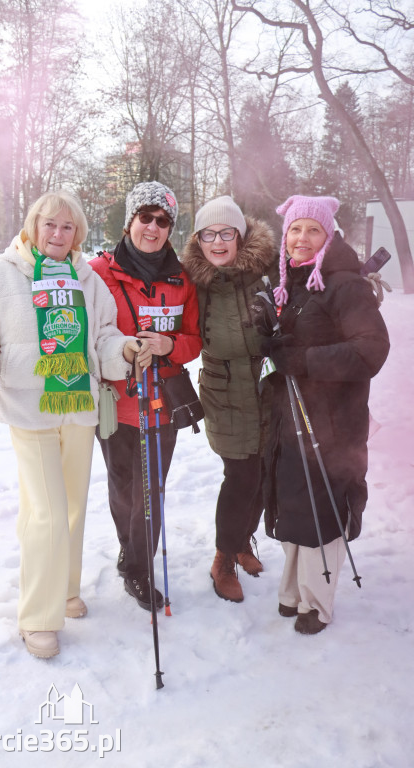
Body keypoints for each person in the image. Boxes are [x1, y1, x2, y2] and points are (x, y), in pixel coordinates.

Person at [0, 190, 151, 658]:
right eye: (49, 225)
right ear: (33, 226)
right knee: (47, 511)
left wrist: (121, 351)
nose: (57, 235)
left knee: (72, 508)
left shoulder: (86, 279)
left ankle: (64, 588)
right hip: (29, 407)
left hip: (77, 404)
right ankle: (38, 615)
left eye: (67, 227)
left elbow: (103, 336)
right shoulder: (3, 275)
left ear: (77, 233)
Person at [260, 195, 390, 634]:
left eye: (312, 230)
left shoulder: (345, 284)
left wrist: (307, 360)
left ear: (329, 236)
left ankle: (318, 602)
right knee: (295, 501)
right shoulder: (294, 281)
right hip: (294, 415)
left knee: (323, 505)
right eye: (295, 229)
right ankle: (294, 591)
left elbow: (371, 350)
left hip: (332, 424)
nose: (301, 238)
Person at [90, 181, 202, 610]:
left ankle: (139, 568)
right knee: (121, 487)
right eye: (145, 218)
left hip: (161, 403)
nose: (153, 228)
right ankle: (129, 550)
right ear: (129, 222)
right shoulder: (98, 272)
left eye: (162, 221)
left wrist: (169, 346)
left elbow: (195, 339)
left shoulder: (182, 279)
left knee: (150, 490)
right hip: (114, 401)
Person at [182, 196, 278, 603]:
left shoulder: (270, 271)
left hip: (267, 386)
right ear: (199, 240)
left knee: (263, 472)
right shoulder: (192, 282)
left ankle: (242, 541)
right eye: (209, 234)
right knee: (240, 476)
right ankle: (224, 556)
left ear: (240, 235)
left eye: (227, 233)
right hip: (223, 391)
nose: (218, 242)